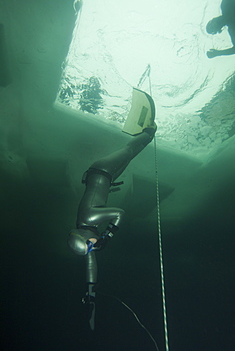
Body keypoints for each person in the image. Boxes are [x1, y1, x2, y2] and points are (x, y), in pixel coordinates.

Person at [67, 90, 156, 330]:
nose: (94, 247)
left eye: (91, 245)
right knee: (129, 156)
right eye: (92, 246)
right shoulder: (85, 230)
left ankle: (148, 133)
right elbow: (90, 265)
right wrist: (90, 296)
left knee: (129, 151)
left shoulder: (88, 219)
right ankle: (144, 136)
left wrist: (107, 236)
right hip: (104, 178)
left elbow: (119, 213)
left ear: (85, 238)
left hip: (102, 170)